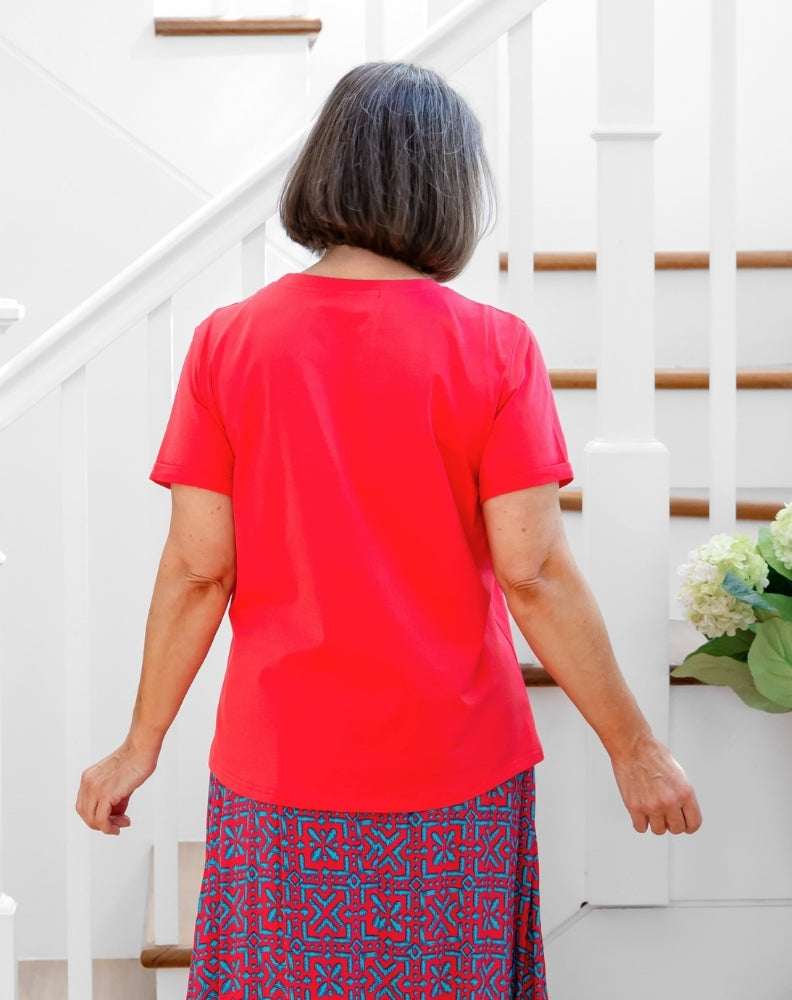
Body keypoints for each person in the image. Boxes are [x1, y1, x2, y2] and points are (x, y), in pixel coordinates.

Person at [76, 61, 701, 999]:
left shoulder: (226, 343)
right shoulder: (496, 347)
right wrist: (634, 747)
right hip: (457, 769)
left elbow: (200, 572)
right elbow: (533, 572)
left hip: (280, 768)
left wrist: (140, 742)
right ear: (447, 187)